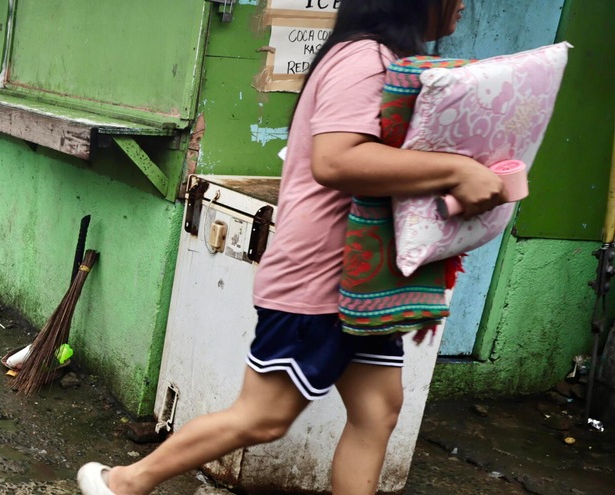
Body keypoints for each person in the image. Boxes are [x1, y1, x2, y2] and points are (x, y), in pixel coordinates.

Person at [77, 1, 503, 494]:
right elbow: (337, 159)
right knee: (263, 418)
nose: (465, 4)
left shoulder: (385, 60)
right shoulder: (362, 58)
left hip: (362, 284)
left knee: (378, 411)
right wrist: (457, 170)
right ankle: (125, 483)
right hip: (320, 280)